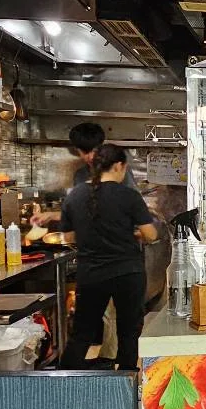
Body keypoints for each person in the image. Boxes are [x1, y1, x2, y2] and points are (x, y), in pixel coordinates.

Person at [60, 144, 159, 369]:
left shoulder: (75, 195)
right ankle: (125, 386)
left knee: (82, 334)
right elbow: (151, 235)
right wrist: (130, 232)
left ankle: (61, 385)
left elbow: (68, 237)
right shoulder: (128, 196)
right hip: (128, 273)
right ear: (118, 166)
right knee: (128, 333)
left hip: (91, 274)